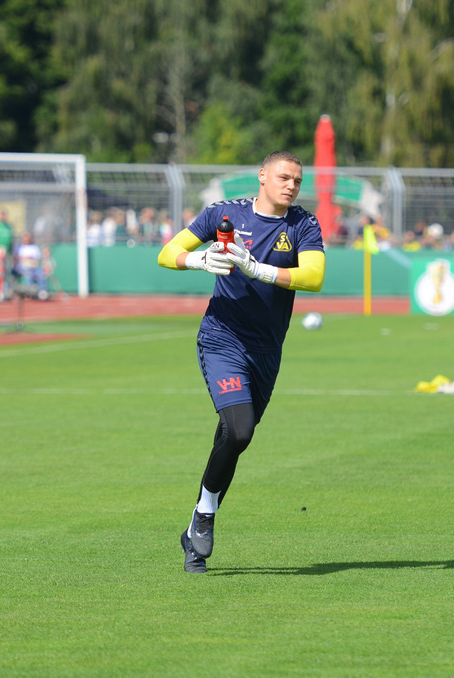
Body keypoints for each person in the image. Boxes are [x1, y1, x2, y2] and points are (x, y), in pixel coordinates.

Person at [156, 151, 326, 573]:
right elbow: (168, 252)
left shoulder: (302, 224)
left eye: (297, 181)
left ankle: (196, 527)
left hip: (267, 350)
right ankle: (207, 517)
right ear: (263, 176)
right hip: (222, 338)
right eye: (284, 177)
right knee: (240, 429)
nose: (291, 186)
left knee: (233, 438)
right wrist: (196, 260)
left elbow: (315, 277)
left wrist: (258, 269)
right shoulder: (223, 214)